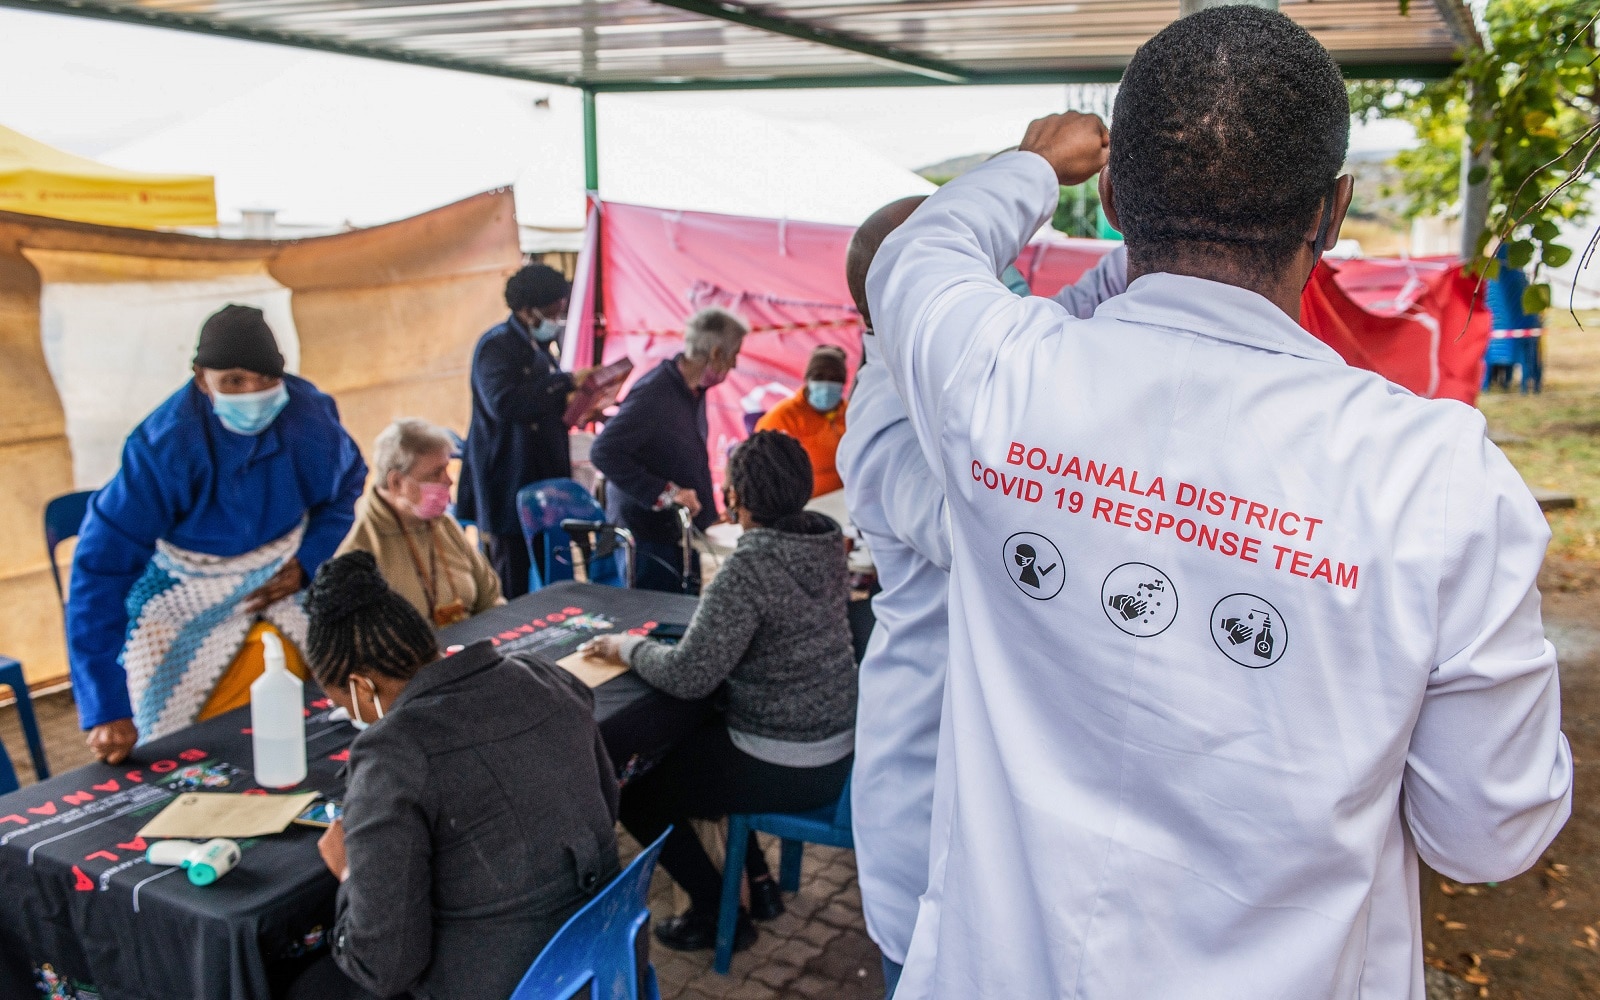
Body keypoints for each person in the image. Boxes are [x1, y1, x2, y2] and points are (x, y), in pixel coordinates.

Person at [869, 8, 1572, 998]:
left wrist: (1029, 164)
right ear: (1330, 212)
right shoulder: (1435, 478)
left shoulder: (996, 380)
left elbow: (917, 256)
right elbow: (1486, 831)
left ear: (1110, 197)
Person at [837, 196, 1126, 997]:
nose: (999, 294)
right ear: (905, 295)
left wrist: (1151, 218)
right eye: (972, 275)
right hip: (927, 784)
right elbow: (970, 519)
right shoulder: (885, 417)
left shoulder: (968, 368)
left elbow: (1085, 303)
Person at [286, 552, 620, 1000]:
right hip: (604, 955)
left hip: (510, 981)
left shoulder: (393, 753)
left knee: (304, 985)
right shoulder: (542, 675)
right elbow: (606, 802)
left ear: (362, 686)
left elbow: (384, 966)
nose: (351, 717)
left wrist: (350, 873)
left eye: (346, 706)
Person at [581, 431, 856, 953]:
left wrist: (626, 648)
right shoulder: (823, 542)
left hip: (786, 762)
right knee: (700, 746)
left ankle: (711, 909)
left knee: (636, 791)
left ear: (735, 498)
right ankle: (759, 885)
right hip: (836, 748)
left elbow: (689, 674)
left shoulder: (750, 569)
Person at [68, 304, 366, 762]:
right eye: (233, 382)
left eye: (266, 380)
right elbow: (100, 568)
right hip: (184, 589)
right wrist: (105, 707)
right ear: (200, 377)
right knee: (184, 747)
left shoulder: (312, 420)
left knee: (342, 694)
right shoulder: (164, 445)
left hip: (283, 577)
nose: (253, 394)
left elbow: (345, 489)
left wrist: (307, 562)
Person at [589, 307, 746, 593]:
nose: (734, 365)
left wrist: (708, 513)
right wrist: (665, 491)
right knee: (656, 618)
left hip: (678, 530)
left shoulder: (691, 390)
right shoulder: (654, 393)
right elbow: (603, 451)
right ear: (715, 354)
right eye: (733, 355)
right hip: (646, 531)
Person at [458, 264, 592, 599]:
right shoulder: (496, 347)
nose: (557, 318)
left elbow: (541, 403)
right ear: (526, 309)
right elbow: (504, 403)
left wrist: (580, 405)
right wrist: (566, 382)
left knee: (552, 567)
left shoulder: (538, 346)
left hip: (541, 472)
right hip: (507, 476)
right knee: (510, 574)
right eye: (552, 311)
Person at [336, 418, 502, 628]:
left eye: (447, 469)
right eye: (436, 473)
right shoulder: (358, 553)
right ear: (396, 482)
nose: (449, 481)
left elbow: (491, 600)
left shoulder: (444, 524)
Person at [755, 344, 850, 496]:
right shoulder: (782, 418)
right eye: (819, 377)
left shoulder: (851, 413)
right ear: (807, 379)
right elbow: (760, 469)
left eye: (835, 379)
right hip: (803, 507)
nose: (826, 385)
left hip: (847, 501)